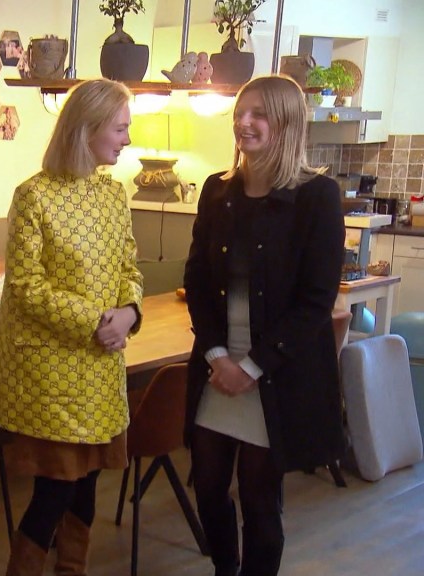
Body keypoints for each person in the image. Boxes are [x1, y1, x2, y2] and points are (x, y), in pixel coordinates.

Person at [183, 75, 345, 576]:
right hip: (217, 371)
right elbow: (196, 279)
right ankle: (224, 569)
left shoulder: (317, 197)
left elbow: (315, 302)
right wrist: (217, 357)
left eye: (258, 114)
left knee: (259, 499)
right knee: (208, 486)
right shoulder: (217, 190)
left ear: (287, 123)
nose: (243, 122)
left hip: (273, 376)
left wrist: (251, 367)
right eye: (240, 112)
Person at [0, 78, 143, 575]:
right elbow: (25, 287)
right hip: (50, 380)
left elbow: (129, 268)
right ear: (87, 128)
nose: (127, 139)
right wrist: (98, 321)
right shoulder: (34, 196)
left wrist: (130, 312)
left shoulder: (114, 194)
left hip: (100, 373)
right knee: (54, 492)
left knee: (87, 487)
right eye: (120, 128)